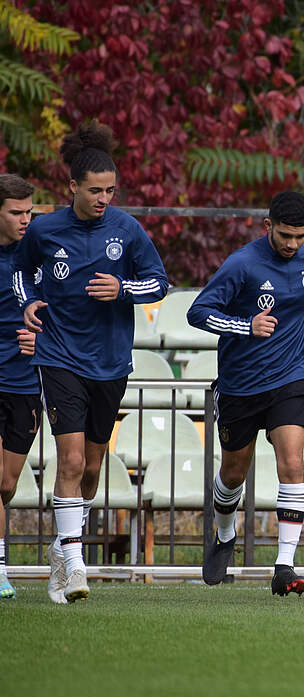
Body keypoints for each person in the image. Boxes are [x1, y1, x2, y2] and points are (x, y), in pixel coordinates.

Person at [13, 123, 170, 603]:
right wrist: (30, 302)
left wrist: (122, 288)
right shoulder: (43, 229)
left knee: (94, 468)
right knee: (72, 459)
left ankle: (64, 546)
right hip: (60, 356)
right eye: (95, 190)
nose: (104, 198)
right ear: (72, 188)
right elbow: (22, 274)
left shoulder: (127, 229)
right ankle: (76, 565)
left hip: (111, 362)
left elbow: (159, 282)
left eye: (111, 190)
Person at [187, 191, 304, 597]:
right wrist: (245, 326)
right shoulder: (242, 264)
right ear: (268, 226)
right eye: (285, 235)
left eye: (300, 236)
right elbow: (198, 312)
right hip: (241, 383)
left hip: (291, 376)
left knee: (293, 460)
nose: (292, 244)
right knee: (234, 471)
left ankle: (284, 565)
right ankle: (225, 532)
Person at [0, 174, 39, 599]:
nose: (25, 219)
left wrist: (42, 338)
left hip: (26, 382)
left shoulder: (41, 257)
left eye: (30, 211)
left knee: (7, 485)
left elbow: (67, 316)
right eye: (16, 212)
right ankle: (0, 570)